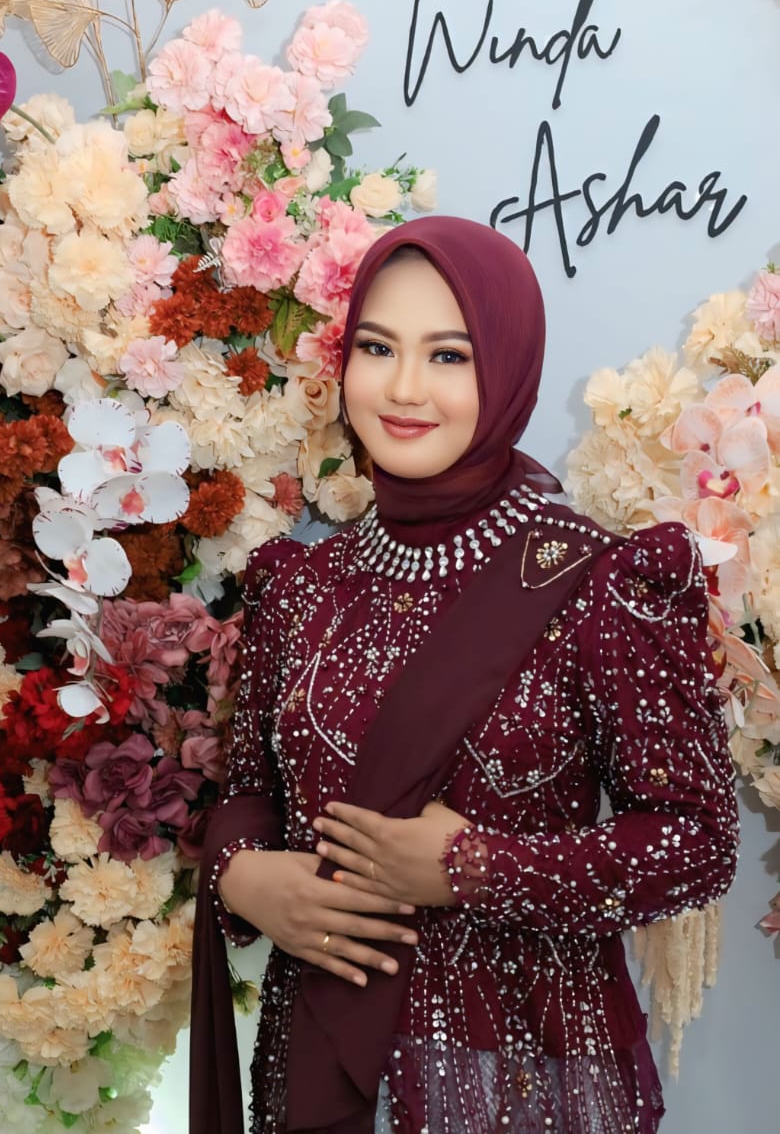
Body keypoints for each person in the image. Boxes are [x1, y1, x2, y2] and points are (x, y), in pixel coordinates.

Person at [190, 216, 739, 1134]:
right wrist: (241, 877)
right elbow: (251, 791)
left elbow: (697, 842)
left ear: (510, 368)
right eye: (377, 348)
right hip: (315, 1051)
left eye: (449, 356)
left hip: (517, 1072)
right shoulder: (301, 583)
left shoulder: (601, 584)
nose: (404, 388)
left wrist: (476, 868)